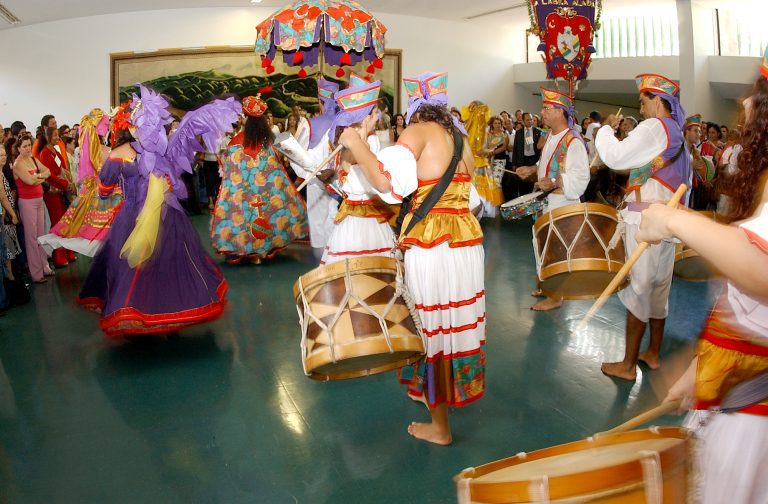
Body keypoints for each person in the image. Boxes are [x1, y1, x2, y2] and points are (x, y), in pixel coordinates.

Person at [636, 58, 768, 503]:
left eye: (760, 94)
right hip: (743, 389)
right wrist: (699, 371)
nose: (746, 101)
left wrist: (675, 222)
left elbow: (763, 270)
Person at [339, 72, 485, 445]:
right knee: (453, 327)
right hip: (465, 245)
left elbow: (388, 184)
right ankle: (438, 395)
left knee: (430, 329)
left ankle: (440, 427)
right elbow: (475, 202)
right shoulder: (461, 142)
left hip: (433, 248)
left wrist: (356, 141)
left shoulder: (418, 132)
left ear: (415, 110)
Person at [77, 86, 237, 338]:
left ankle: (136, 315)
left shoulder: (116, 155)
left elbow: (104, 189)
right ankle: (170, 313)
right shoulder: (162, 152)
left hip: (131, 217)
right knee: (169, 265)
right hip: (169, 217)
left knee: (134, 270)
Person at [594, 73, 692, 380]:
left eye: (644, 101)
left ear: (659, 102)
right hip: (667, 221)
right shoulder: (676, 132)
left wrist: (605, 129)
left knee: (638, 288)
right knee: (659, 287)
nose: (641, 107)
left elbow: (615, 157)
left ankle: (627, 365)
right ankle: (652, 354)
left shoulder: (654, 127)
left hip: (646, 220)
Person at [210, 95, 308, 264]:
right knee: (270, 213)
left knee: (243, 217)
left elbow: (229, 171)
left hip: (244, 195)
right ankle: (265, 249)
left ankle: (249, 249)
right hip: (266, 194)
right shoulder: (268, 142)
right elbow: (276, 172)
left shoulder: (235, 143)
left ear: (246, 119)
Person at [516, 88, 590, 311]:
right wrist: (532, 169)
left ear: (560, 112)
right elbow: (545, 162)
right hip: (548, 201)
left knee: (556, 249)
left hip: (562, 203)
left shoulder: (573, 141)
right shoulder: (550, 135)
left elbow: (580, 178)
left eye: (547, 108)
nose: (542, 112)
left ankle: (556, 297)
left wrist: (555, 182)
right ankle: (545, 285)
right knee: (543, 245)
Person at [320, 76, 393, 265]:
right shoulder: (352, 146)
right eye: (375, 113)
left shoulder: (370, 141)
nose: (378, 117)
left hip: (372, 215)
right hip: (358, 220)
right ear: (365, 117)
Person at [39, 108, 120, 257]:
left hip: (95, 190)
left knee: (92, 231)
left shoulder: (89, 150)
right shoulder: (107, 151)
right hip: (107, 192)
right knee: (108, 233)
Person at [285, 77, 341, 259]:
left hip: (323, 181)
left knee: (319, 222)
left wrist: (311, 174)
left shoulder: (309, 125)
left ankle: (323, 264)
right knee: (335, 221)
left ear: (320, 101)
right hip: (338, 182)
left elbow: (295, 155)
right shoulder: (346, 123)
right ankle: (333, 261)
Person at [12, 134, 53, 283]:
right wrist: (40, 177)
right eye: (24, 146)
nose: (28, 148)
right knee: (31, 238)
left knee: (41, 235)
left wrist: (39, 177)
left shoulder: (33, 159)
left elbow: (48, 171)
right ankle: (36, 273)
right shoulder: (17, 164)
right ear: (18, 148)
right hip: (27, 203)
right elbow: (29, 181)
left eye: (29, 145)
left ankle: (45, 266)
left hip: (39, 200)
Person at [37, 126, 74, 267]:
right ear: (47, 137)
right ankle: (58, 256)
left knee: (65, 223)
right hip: (53, 194)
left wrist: (68, 181)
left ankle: (68, 253)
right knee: (57, 223)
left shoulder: (55, 151)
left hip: (61, 190)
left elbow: (62, 167)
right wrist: (64, 184)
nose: (57, 138)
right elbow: (50, 176)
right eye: (55, 135)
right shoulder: (45, 153)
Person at [464, 100, 502, 217]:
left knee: (471, 192)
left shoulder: (466, 128)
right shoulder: (480, 130)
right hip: (479, 165)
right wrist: (490, 150)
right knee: (480, 195)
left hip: (468, 164)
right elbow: (480, 150)